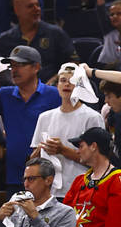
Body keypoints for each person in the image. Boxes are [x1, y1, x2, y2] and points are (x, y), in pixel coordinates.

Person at [30, 66, 104, 197]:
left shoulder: (92, 117)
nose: (67, 84)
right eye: (63, 80)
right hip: (50, 192)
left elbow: (98, 161)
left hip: (82, 191)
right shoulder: (45, 117)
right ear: (57, 85)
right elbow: (33, 161)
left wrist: (62, 150)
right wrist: (41, 151)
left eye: (73, 81)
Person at [0, 45, 59, 191]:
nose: (14, 70)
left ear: (36, 67)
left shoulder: (54, 95)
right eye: (12, 66)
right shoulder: (4, 95)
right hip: (15, 177)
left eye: (20, 65)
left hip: (49, 178)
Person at [0, 0, 73, 84]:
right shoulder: (5, 40)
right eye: (30, 6)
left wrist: (55, 80)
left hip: (52, 90)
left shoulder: (56, 33)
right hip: (14, 91)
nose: (37, 9)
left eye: (38, 5)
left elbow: (73, 63)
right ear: (17, 10)